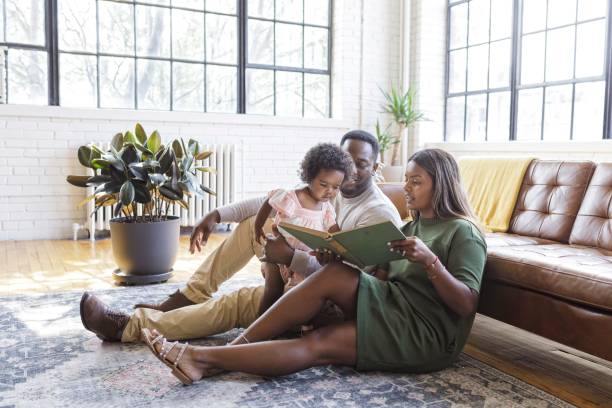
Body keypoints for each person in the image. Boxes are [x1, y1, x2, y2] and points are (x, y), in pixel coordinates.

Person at [140, 148, 487, 384]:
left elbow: (466, 303)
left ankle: (205, 359)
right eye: (407, 179)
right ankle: (222, 354)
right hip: (393, 309)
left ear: (439, 183)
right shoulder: (412, 227)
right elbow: (384, 277)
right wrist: (348, 260)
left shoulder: (463, 232)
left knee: (318, 345)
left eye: (416, 181)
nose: (406, 188)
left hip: (425, 334)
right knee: (335, 272)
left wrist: (431, 262)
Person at [79, 130, 402, 343]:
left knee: (234, 303)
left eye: (363, 164)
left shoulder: (377, 214)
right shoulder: (335, 188)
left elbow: (353, 282)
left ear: (376, 167)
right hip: (297, 274)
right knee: (252, 223)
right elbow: (275, 200)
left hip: (322, 302)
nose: (354, 171)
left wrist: (287, 258)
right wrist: (218, 215)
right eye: (350, 162)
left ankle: (128, 327)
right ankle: (189, 296)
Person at [254, 143, 351, 315]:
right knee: (273, 290)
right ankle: (256, 327)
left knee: (300, 296)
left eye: (336, 187)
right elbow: (268, 203)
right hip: (277, 258)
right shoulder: (293, 198)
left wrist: (342, 243)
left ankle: (292, 327)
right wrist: (257, 226)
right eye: (323, 184)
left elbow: (333, 229)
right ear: (310, 176)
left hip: (300, 261)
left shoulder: (326, 207)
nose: (330, 191)